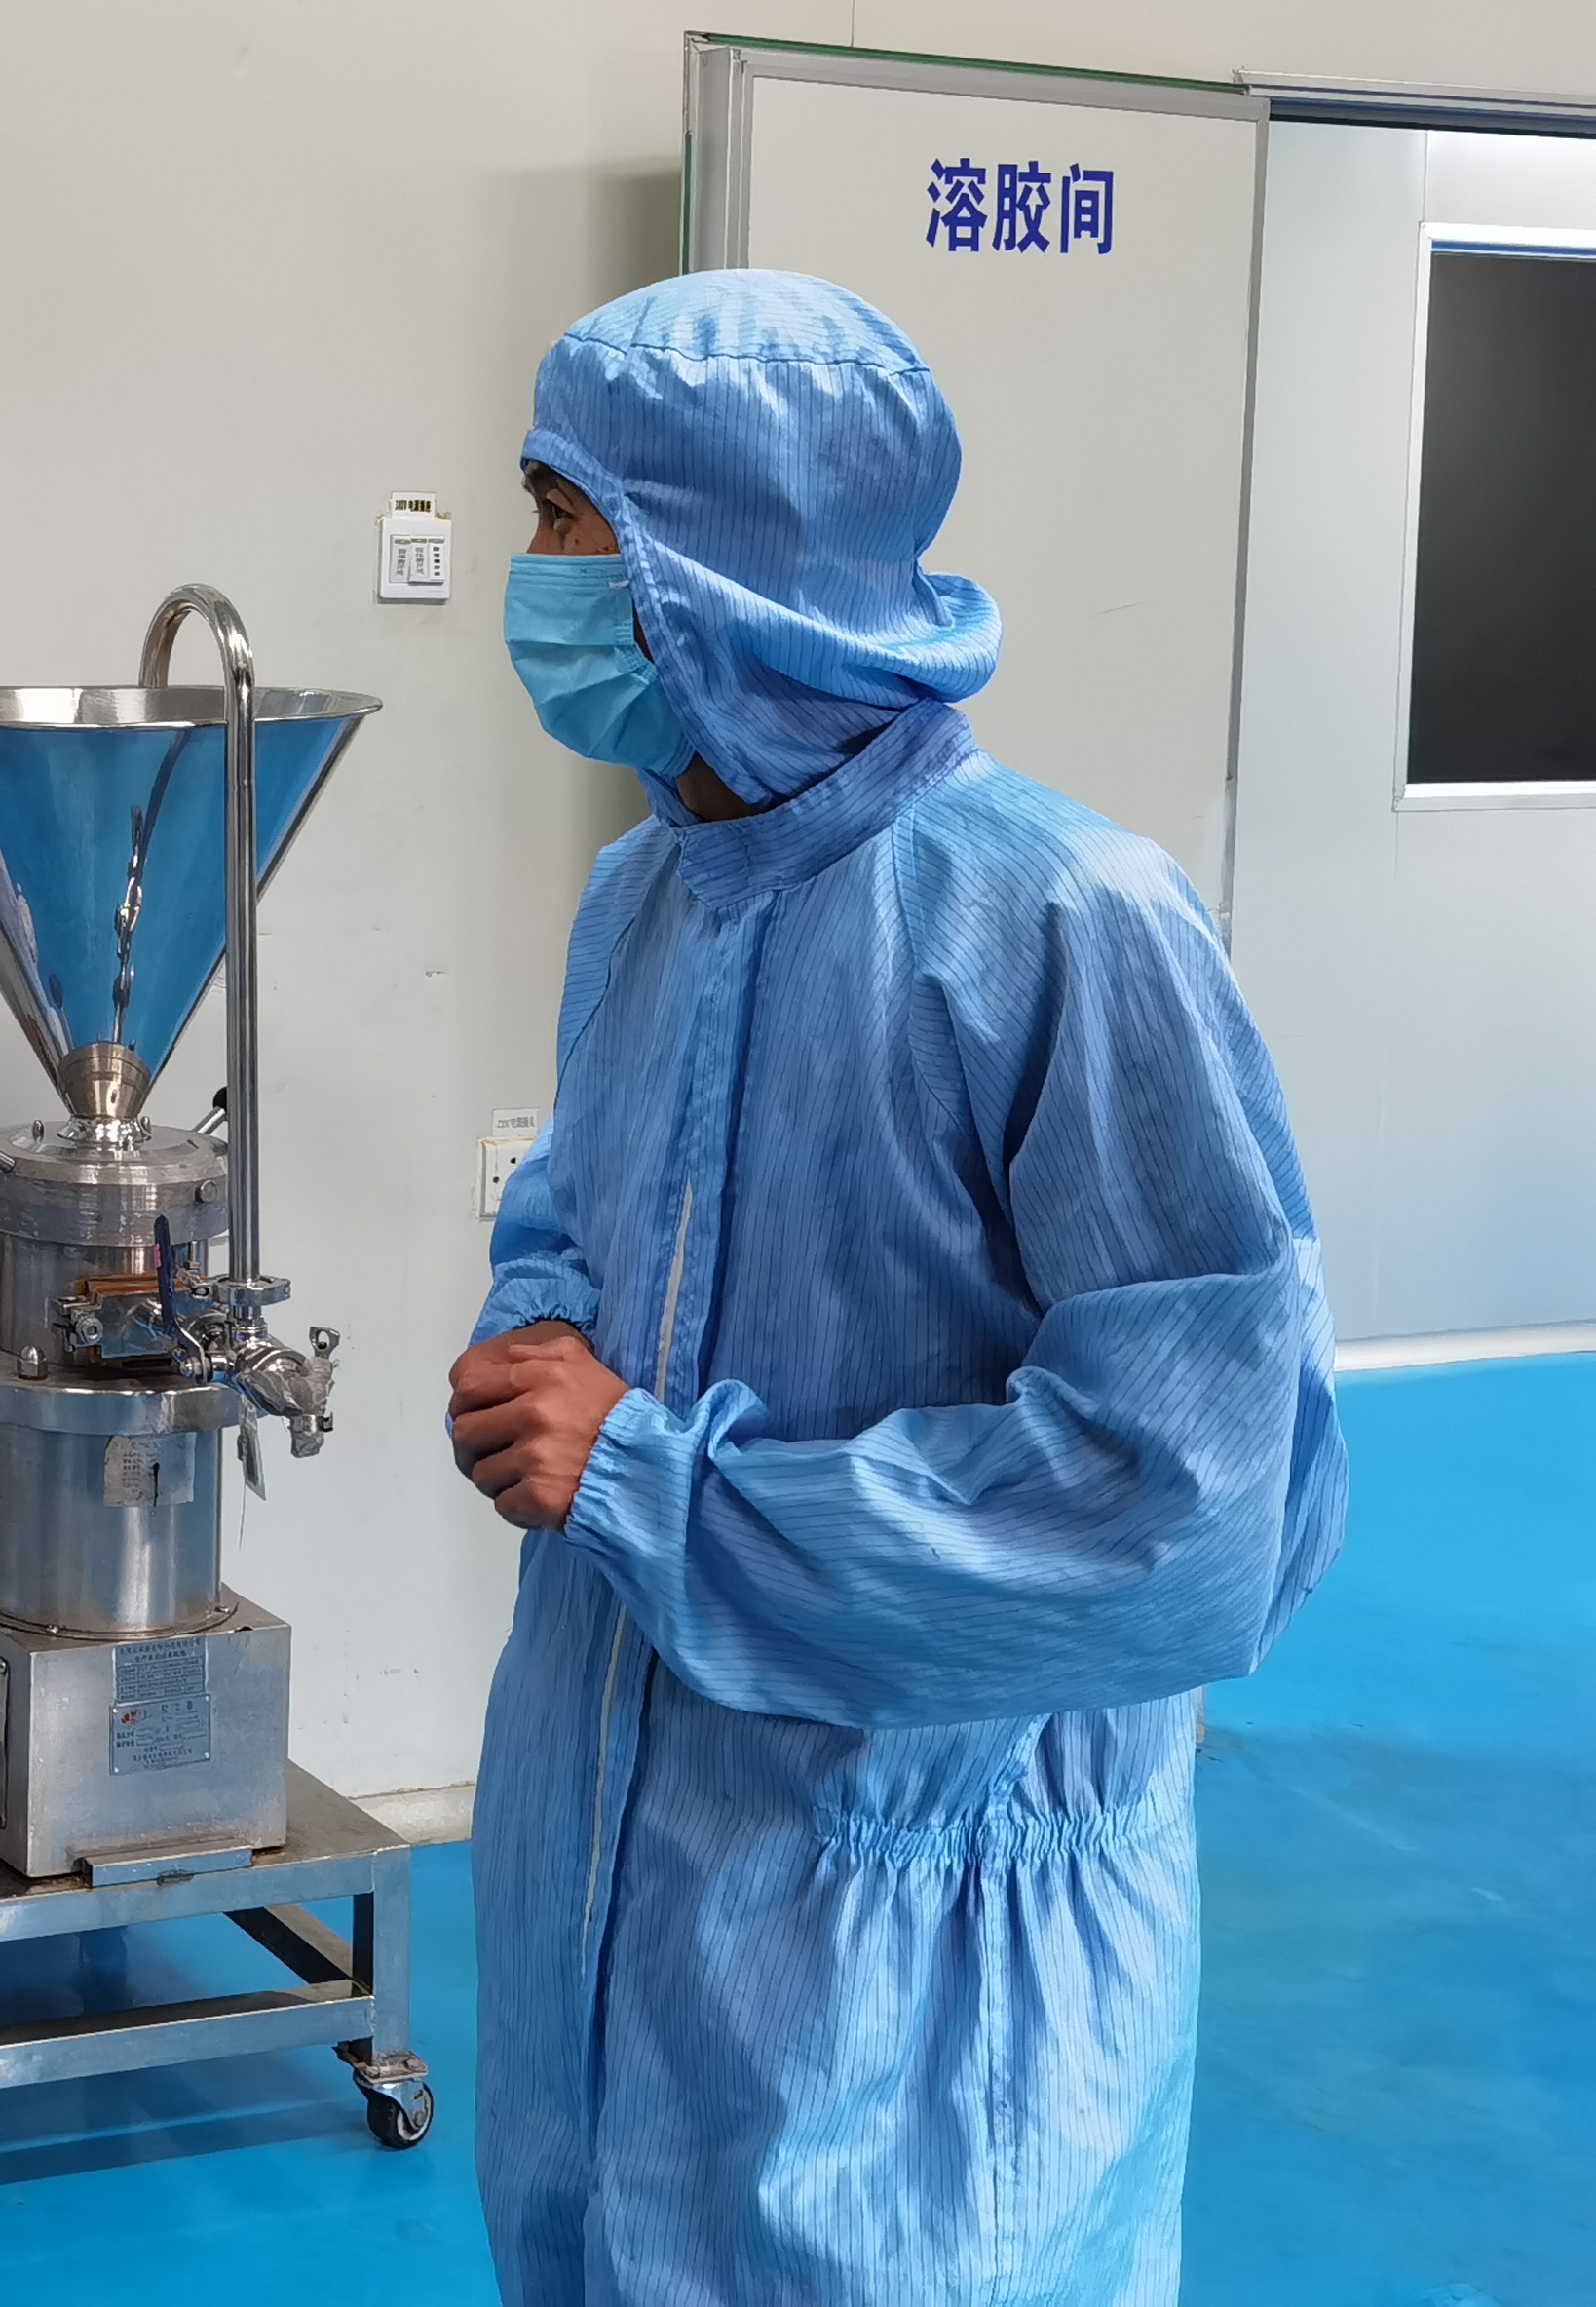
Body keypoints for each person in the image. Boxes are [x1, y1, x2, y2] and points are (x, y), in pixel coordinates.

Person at [444, 272, 1348, 2304]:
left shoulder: (1064, 919)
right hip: (619, 1874)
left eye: (566, 516)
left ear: (715, 560)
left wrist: (655, 1485)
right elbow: (577, 1221)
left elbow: (1189, 1511)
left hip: (913, 1941)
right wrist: (535, 1344)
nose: (535, 574)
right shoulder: (648, 893)